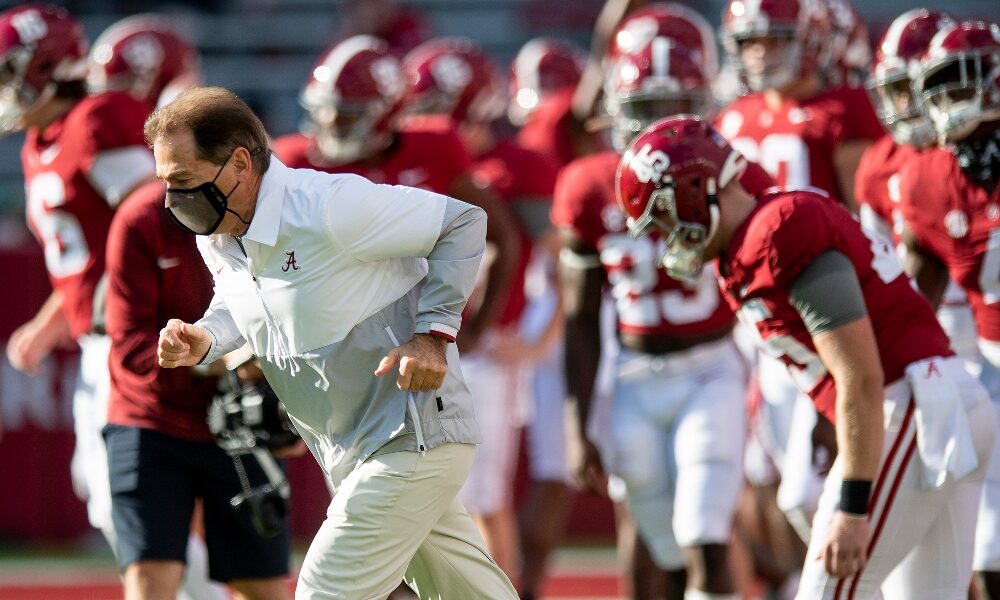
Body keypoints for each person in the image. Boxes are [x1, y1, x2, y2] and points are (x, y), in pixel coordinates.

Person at [149, 86, 518, 600]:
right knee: (469, 593)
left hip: (409, 433)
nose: (174, 199)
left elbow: (462, 222)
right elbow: (242, 301)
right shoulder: (218, 231)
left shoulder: (327, 205)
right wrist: (205, 338)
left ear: (238, 163)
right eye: (167, 183)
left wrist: (434, 335)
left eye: (183, 180)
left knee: (323, 591)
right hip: (352, 448)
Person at [616, 114, 996, 599]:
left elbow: (860, 375)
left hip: (912, 405)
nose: (668, 236)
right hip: (935, 402)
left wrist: (853, 507)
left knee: (827, 591)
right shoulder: (746, 245)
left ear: (696, 189)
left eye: (666, 216)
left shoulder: (779, 229)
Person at [401, 36, 560, 580]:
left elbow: (564, 261)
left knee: (483, 497)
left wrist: (541, 338)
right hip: (416, 343)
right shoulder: (413, 156)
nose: (425, 119)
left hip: (485, 349)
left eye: (435, 106)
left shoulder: (515, 167)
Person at [1, 3, 153, 551]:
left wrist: (130, 305)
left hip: (132, 340)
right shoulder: (36, 144)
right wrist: (50, 324)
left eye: (5, 74)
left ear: (43, 70)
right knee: (110, 500)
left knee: (136, 505)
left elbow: (160, 217)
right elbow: (85, 266)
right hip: (99, 340)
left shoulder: (94, 119)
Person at [104, 180, 292, 600]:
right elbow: (131, 348)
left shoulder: (278, 207)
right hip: (152, 419)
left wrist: (293, 412)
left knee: (259, 581)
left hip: (243, 419)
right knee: (151, 578)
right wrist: (220, 359)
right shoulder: (142, 219)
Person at [896, 20, 1000, 599]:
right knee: (990, 554)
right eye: (937, 88)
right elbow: (916, 301)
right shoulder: (930, 177)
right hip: (991, 365)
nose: (944, 104)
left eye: (958, 85)